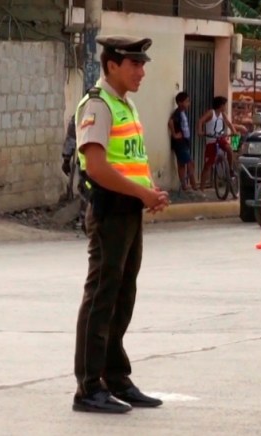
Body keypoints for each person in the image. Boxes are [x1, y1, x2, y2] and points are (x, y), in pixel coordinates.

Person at [72, 34, 170, 414]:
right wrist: (142, 194)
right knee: (101, 297)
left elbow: (128, 160)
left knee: (122, 296)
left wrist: (149, 191)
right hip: (109, 211)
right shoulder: (98, 105)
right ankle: (88, 387)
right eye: (134, 64)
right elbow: (97, 167)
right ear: (111, 65)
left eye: (142, 64)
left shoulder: (125, 105)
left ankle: (115, 377)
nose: (141, 71)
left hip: (128, 210)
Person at [197, 96, 242, 190]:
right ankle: (202, 188)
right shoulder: (211, 113)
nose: (225, 107)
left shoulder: (223, 114)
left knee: (229, 149)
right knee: (208, 165)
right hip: (211, 140)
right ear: (220, 105)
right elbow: (200, 121)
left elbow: (229, 124)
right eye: (224, 105)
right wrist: (200, 131)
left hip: (220, 138)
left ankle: (230, 169)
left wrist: (234, 132)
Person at [169, 91, 198, 192]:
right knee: (190, 163)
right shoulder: (177, 113)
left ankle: (184, 185)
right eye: (187, 101)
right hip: (180, 143)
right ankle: (193, 184)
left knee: (182, 164)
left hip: (184, 141)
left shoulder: (183, 113)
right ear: (180, 103)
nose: (188, 103)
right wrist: (174, 134)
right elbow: (170, 122)